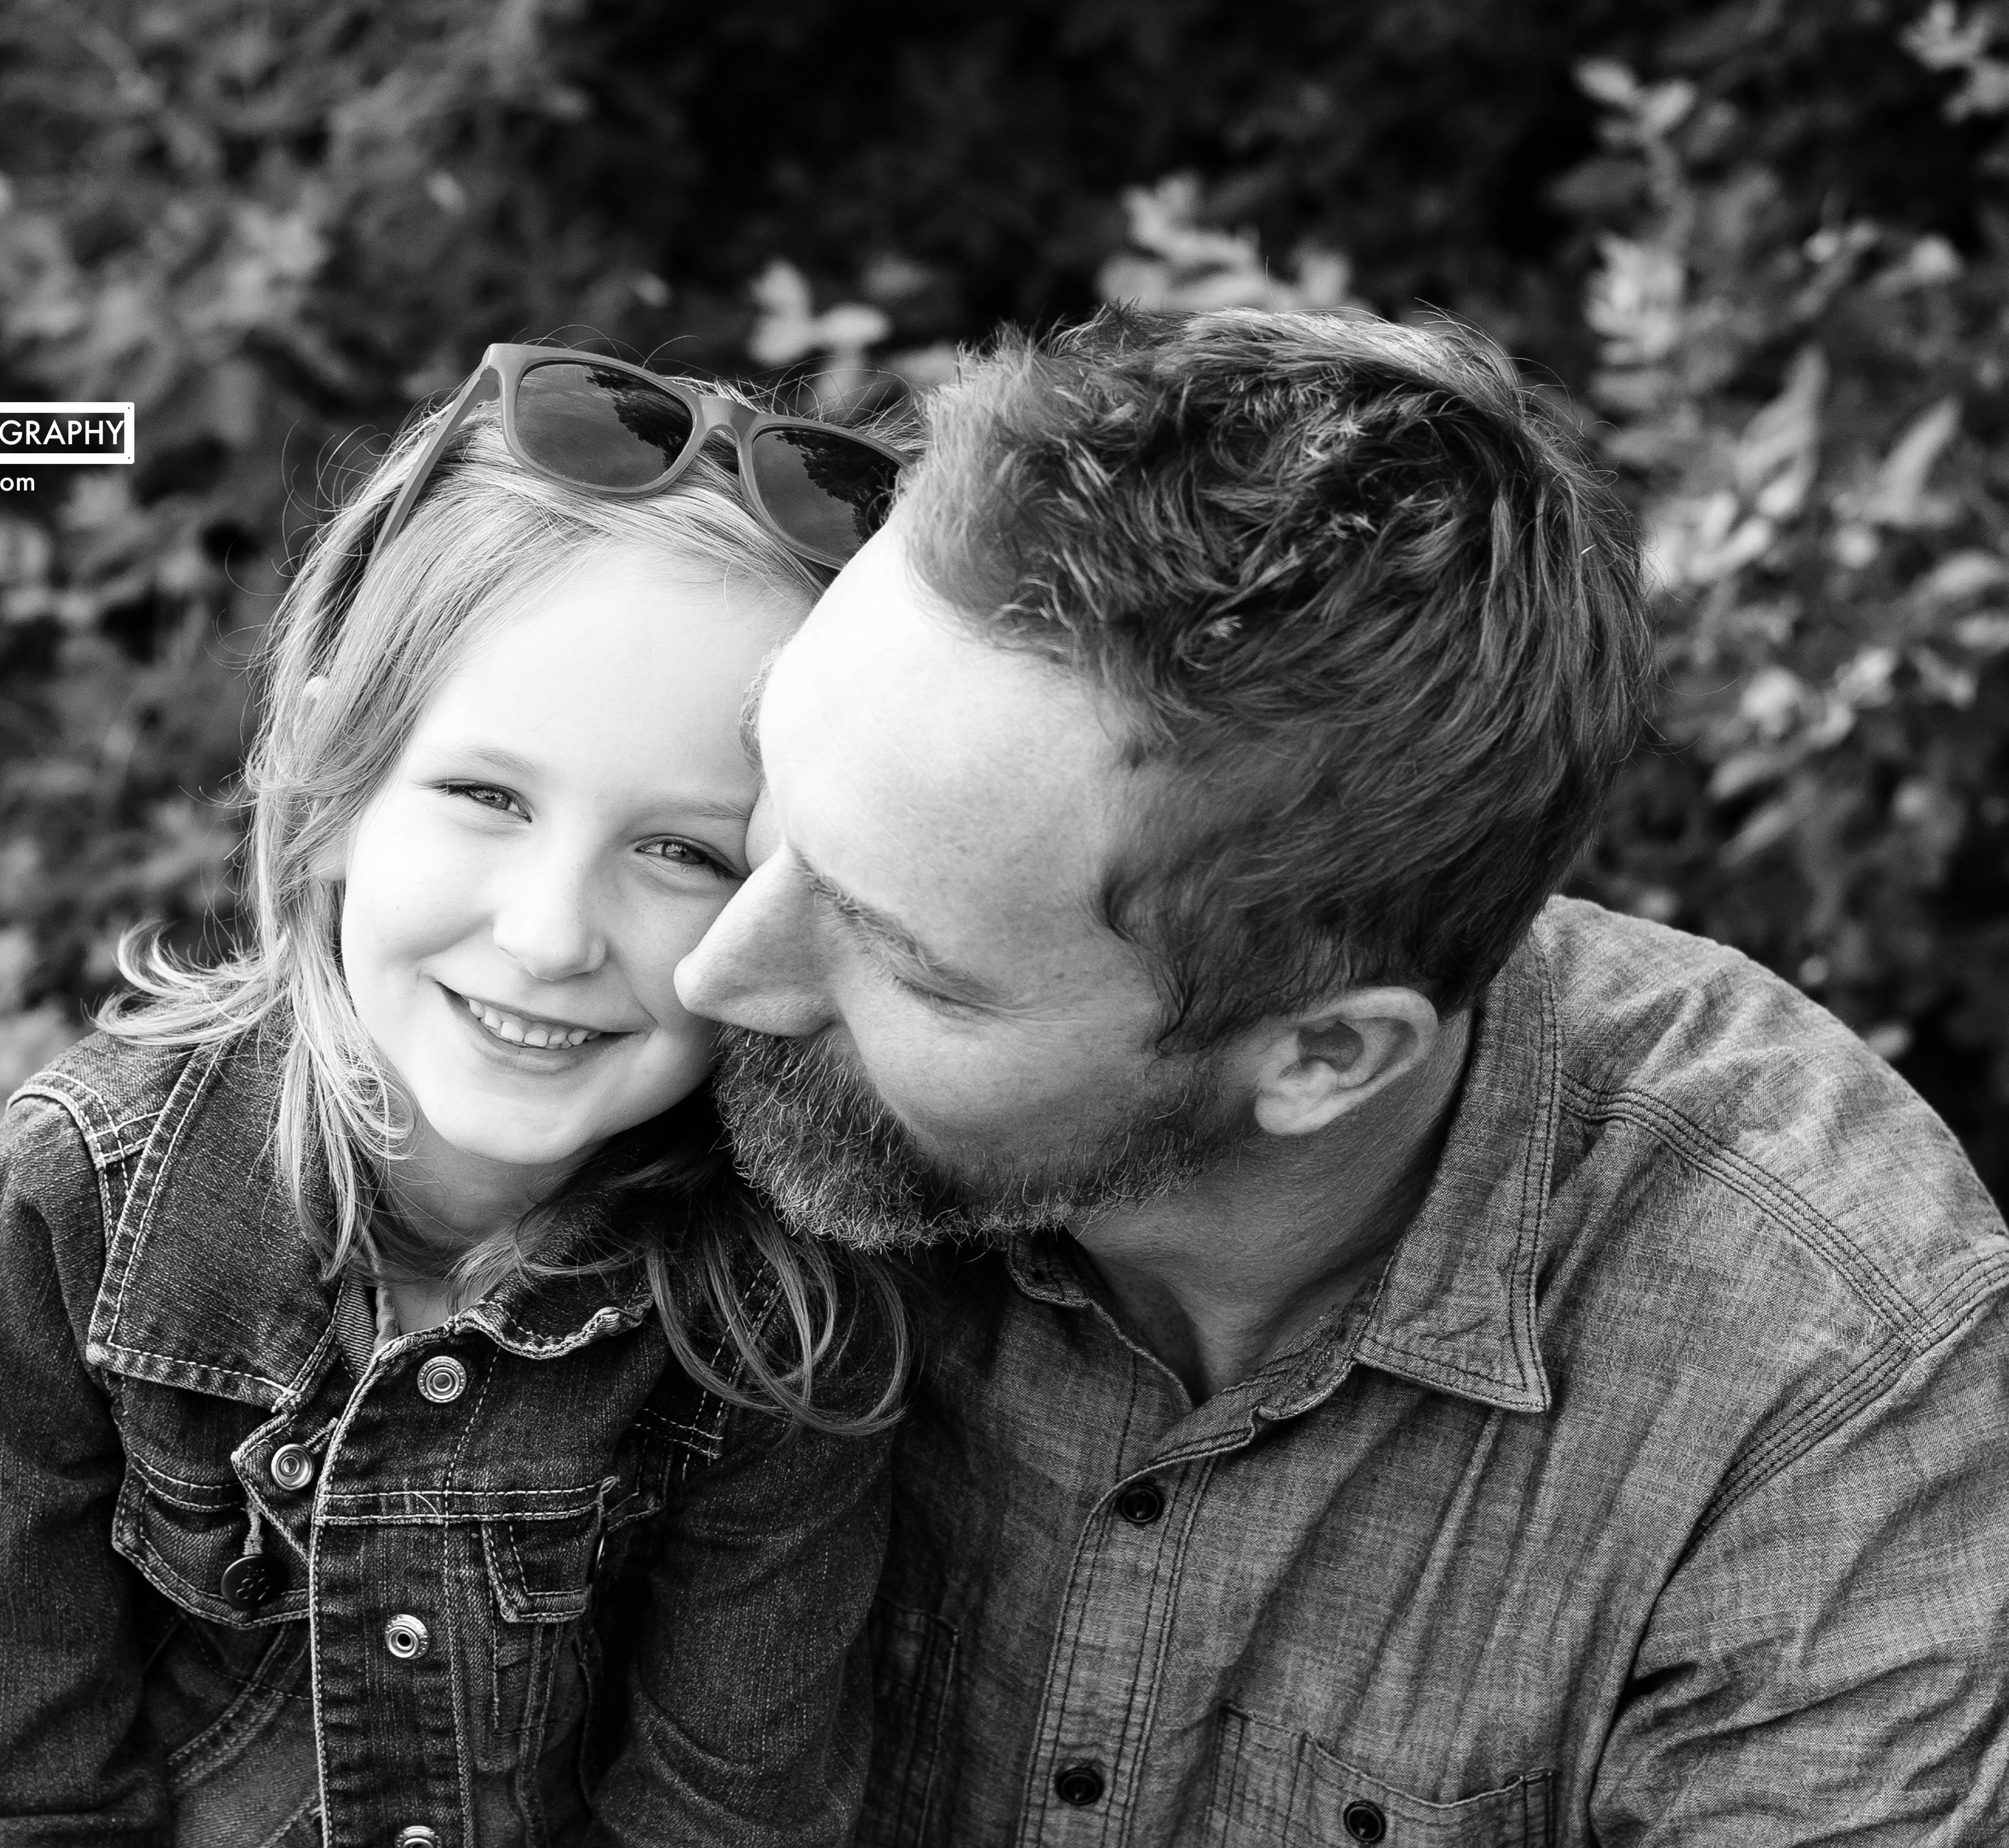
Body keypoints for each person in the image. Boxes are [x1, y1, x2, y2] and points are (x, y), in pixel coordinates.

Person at [675, 305, 2009, 1843]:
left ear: (1325, 1056)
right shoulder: (626, 1014)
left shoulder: (1828, 1384)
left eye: (906, 963)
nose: (714, 972)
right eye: (767, 796)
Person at [0, 348, 910, 1848]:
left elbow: (721, 1816)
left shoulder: (782, 1316)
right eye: (488, 797)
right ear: (328, 771)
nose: (550, 936)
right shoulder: (77, 1202)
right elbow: (2, 1796)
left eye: (685, 852)